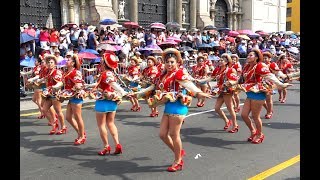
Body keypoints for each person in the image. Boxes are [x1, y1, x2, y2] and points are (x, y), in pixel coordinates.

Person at [136, 48, 212, 172]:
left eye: (172, 62)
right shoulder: (163, 74)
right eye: (167, 62)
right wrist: (138, 94)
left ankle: (178, 161)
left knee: (173, 134)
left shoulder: (178, 73)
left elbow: (188, 84)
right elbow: (153, 86)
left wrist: (198, 92)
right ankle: (179, 152)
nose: (169, 64)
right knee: (162, 134)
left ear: (177, 62)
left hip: (178, 105)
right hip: (168, 106)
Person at [240, 48, 291, 144]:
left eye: (251, 55)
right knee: (244, 115)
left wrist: (281, 84)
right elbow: (241, 78)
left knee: (255, 116)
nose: (248, 56)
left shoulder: (260, 65)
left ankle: (260, 134)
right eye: (248, 55)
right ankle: (253, 131)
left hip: (258, 93)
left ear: (256, 57)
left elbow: (271, 76)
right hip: (249, 93)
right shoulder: (247, 66)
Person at [87, 53, 128, 155]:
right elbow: (101, 84)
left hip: (102, 101)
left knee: (101, 125)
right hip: (112, 102)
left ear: (105, 63)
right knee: (111, 123)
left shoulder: (106, 74)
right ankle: (117, 144)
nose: (101, 62)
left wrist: (123, 92)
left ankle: (106, 146)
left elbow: (112, 84)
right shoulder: (109, 73)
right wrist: (87, 85)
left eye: (102, 60)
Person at [197, 53, 239, 133]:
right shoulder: (217, 69)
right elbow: (210, 78)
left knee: (230, 109)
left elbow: (235, 80)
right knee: (217, 108)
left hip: (227, 91)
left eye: (222, 60)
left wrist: (228, 83)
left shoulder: (230, 70)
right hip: (220, 91)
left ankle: (235, 125)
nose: (220, 61)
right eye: (219, 60)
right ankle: (227, 121)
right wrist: (200, 81)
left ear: (226, 62)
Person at [57, 54, 87, 145]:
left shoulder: (76, 72)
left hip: (76, 96)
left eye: (68, 60)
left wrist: (77, 87)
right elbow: (62, 83)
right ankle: (80, 133)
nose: (66, 61)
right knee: (68, 117)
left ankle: (82, 136)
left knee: (78, 117)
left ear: (73, 63)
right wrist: (57, 89)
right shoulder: (66, 72)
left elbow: (79, 84)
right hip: (70, 97)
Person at [38, 55, 67, 135]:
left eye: (51, 62)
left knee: (58, 111)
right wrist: (37, 80)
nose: (50, 64)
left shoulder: (57, 72)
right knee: (44, 110)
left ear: (55, 64)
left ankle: (63, 126)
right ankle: (54, 123)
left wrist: (55, 86)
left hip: (55, 94)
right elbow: (44, 79)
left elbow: (60, 82)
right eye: (48, 62)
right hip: (48, 94)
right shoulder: (47, 71)